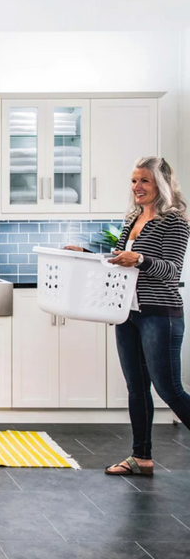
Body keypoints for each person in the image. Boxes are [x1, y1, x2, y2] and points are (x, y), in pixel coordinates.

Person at [68, 156, 190, 475]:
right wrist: (89, 257)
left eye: (144, 181)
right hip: (127, 312)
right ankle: (141, 457)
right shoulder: (133, 217)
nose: (137, 187)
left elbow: (172, 270)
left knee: (169, 389)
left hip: (160, 313)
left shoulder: (174, 221)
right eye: (134, 181)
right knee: (136, 388)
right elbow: (118, 261)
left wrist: (141, 259)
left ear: (160, 184)